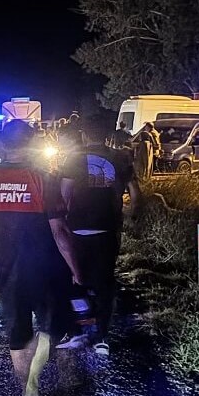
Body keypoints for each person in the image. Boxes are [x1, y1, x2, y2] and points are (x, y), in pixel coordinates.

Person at [0, 119, 84, 396]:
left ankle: (28, 391)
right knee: (50, 326)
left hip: (5, 268)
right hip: (44, 267)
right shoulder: (44, 179)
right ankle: (35, 376)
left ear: (4, 145)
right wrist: (76, 269)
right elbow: (60, 231)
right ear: (32, 143)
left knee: (18, 330)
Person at [58, 142, 141, 356]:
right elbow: (135, 192)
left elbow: (64, 194)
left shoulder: (74, 158)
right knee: (104, 283)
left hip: (77, 229)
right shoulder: (119, 157)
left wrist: (63, 221)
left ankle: (77, 330)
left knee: (75, 278)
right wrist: (131, 215)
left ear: (85, 135)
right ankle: (101, 337)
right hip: (108, 229)